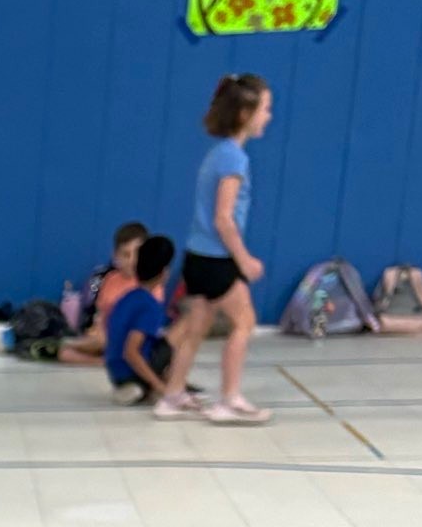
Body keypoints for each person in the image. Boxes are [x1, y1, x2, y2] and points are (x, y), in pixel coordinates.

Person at [167, 72, 274, 425]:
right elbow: (223, 218)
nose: (268, 117)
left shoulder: (217, 154)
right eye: (265, 109)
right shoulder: (233, 160)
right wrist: (245, 260)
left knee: (196, 328)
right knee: (244, 322)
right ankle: (229, 400)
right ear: (245, 114)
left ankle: (172, 395)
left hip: (196, 257)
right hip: (217, 260)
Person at [104, 235, 186, 407]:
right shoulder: (151, 306)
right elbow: (131, 352)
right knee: (179, 331)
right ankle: (148, 386)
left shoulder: (127, 297)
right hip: (130, 372)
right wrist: (161, 388)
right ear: (164, 273)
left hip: (115, 373)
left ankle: (141, 386)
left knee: (160, 340)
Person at [59, 221, 147, 366]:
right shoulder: (109, 280)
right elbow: (100, 314)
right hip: (106, 340)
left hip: (132, 341)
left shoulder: (149, 283)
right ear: (116, 255)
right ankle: (103, 361)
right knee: (65, 353)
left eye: (137, 254)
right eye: (126, 255)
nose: (132, 261)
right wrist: (96, 329)